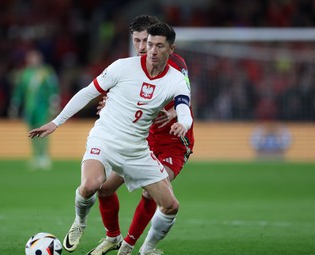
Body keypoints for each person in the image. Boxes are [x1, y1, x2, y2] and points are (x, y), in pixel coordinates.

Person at [28, 22, 193, 255]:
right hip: (104, 139)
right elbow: (88, 92)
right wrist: (56, 122)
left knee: (170, 206)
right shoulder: (122, 67)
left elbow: (185, 110)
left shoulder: (176, 79)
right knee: (91, 186)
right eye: (149, 44)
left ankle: (146, 249)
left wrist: (182, 124)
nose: (151, 50)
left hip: (136, 149)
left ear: (171, 49)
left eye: (159, 46)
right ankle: (80, 222)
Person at [87, 15, 194, 255]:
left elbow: (185, 97)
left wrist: (174, 113)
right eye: (137, 41)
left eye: (148, 41)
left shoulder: (175, 65)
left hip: (172, 143)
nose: (143, 48)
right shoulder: (133, 66)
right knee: (103, 188)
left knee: (151, 192)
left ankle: (134, 246)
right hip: (141, 141)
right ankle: (112, 237)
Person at [9, 49, 60, 170]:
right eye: (30, 58)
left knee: (43, 131)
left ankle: (44, 156)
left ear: (39, 59)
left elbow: (53, 87)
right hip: (29, 107)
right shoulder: (25, 73)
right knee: (32, 132)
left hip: (42, 107)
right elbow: (19, 90)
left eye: (35, 58)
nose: (33, 61)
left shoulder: (46, 72)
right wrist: (14, 104)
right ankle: (36, 156)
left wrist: (54, 103)